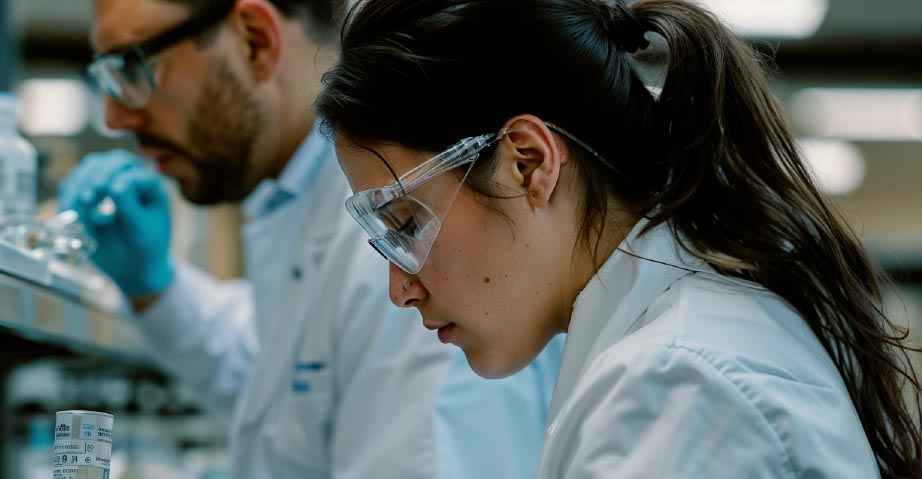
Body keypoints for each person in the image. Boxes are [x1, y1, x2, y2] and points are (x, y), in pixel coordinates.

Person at [316, 0, 922, 477]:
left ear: (528, 162)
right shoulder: (681, 353)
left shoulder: (677, 391)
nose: (401, 287)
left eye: (406, 224)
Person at [60, 0, 563, 477]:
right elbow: (277, 398)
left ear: (256, 40)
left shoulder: (430, 242)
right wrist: (155, 287)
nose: (115, 116)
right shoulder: (294, 208)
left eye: (132, 66)